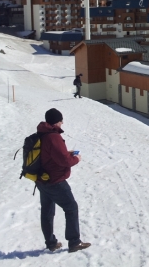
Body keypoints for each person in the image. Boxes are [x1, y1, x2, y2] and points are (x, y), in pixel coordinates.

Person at [36, 108, 90, 253]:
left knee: (47, 211)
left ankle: (51, 243)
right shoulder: (54, 137)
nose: (62, 123)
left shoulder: (42, 133)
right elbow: (64, 161)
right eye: (61, 120)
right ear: (57, 122)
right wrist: (75, 158)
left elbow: (50, 154)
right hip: (55, 180)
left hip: (42, 180)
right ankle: (74, 242)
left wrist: (66, 153)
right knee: (71, 207)